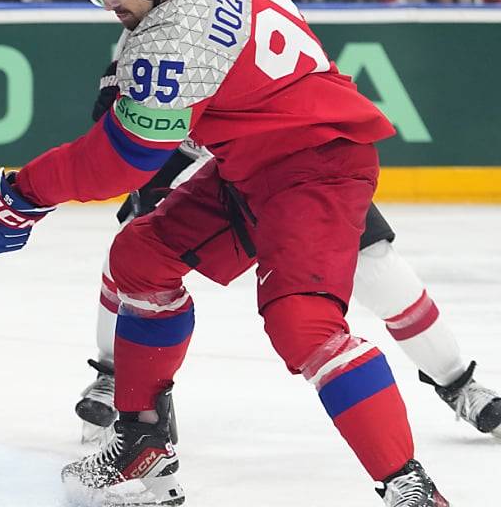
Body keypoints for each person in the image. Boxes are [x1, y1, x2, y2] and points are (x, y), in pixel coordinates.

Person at [0, 0, 450, 504]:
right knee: (139, 258)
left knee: (304, 326)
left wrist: (18, 193)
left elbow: (120, 164)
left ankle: (409, 486)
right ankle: (142, 444)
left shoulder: (174, 43)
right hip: (257, 159)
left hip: (317, 166)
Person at [75, 63, 501, 447]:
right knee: (132, 260)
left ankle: (459, 383)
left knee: (378, 268)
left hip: (295, 175)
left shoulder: (265, 34)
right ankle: (115, 376)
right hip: (205, 184)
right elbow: (115, 139)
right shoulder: (146, 53)